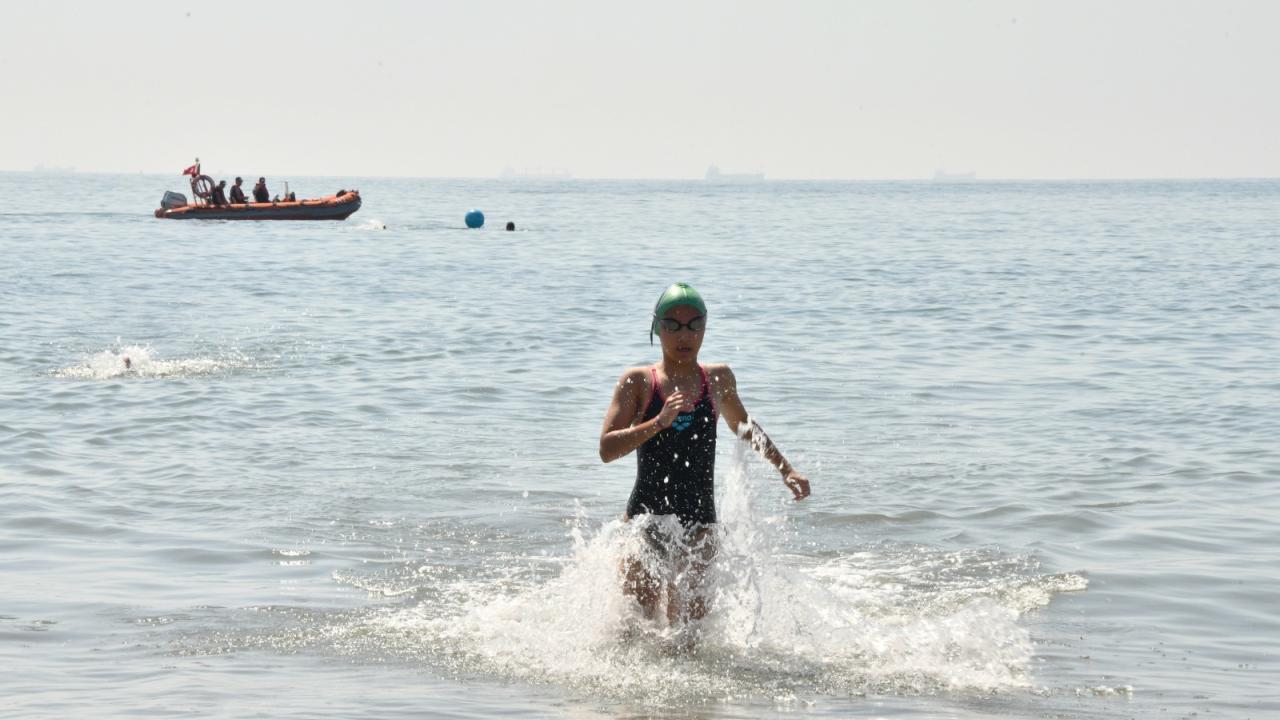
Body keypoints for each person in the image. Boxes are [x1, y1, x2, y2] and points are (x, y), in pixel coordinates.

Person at [599, 282, 810, 637]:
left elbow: (744, 428)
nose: (685, 335)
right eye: (673, 325)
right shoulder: (638, 382)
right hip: (645, 523)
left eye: (695, 324)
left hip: (700, 527)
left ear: (705, 327)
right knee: (637, 631)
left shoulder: (718, 380)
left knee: (689, 636)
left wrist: (785, 468)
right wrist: (658, 422)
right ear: (657, 327)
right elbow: (607, 449)